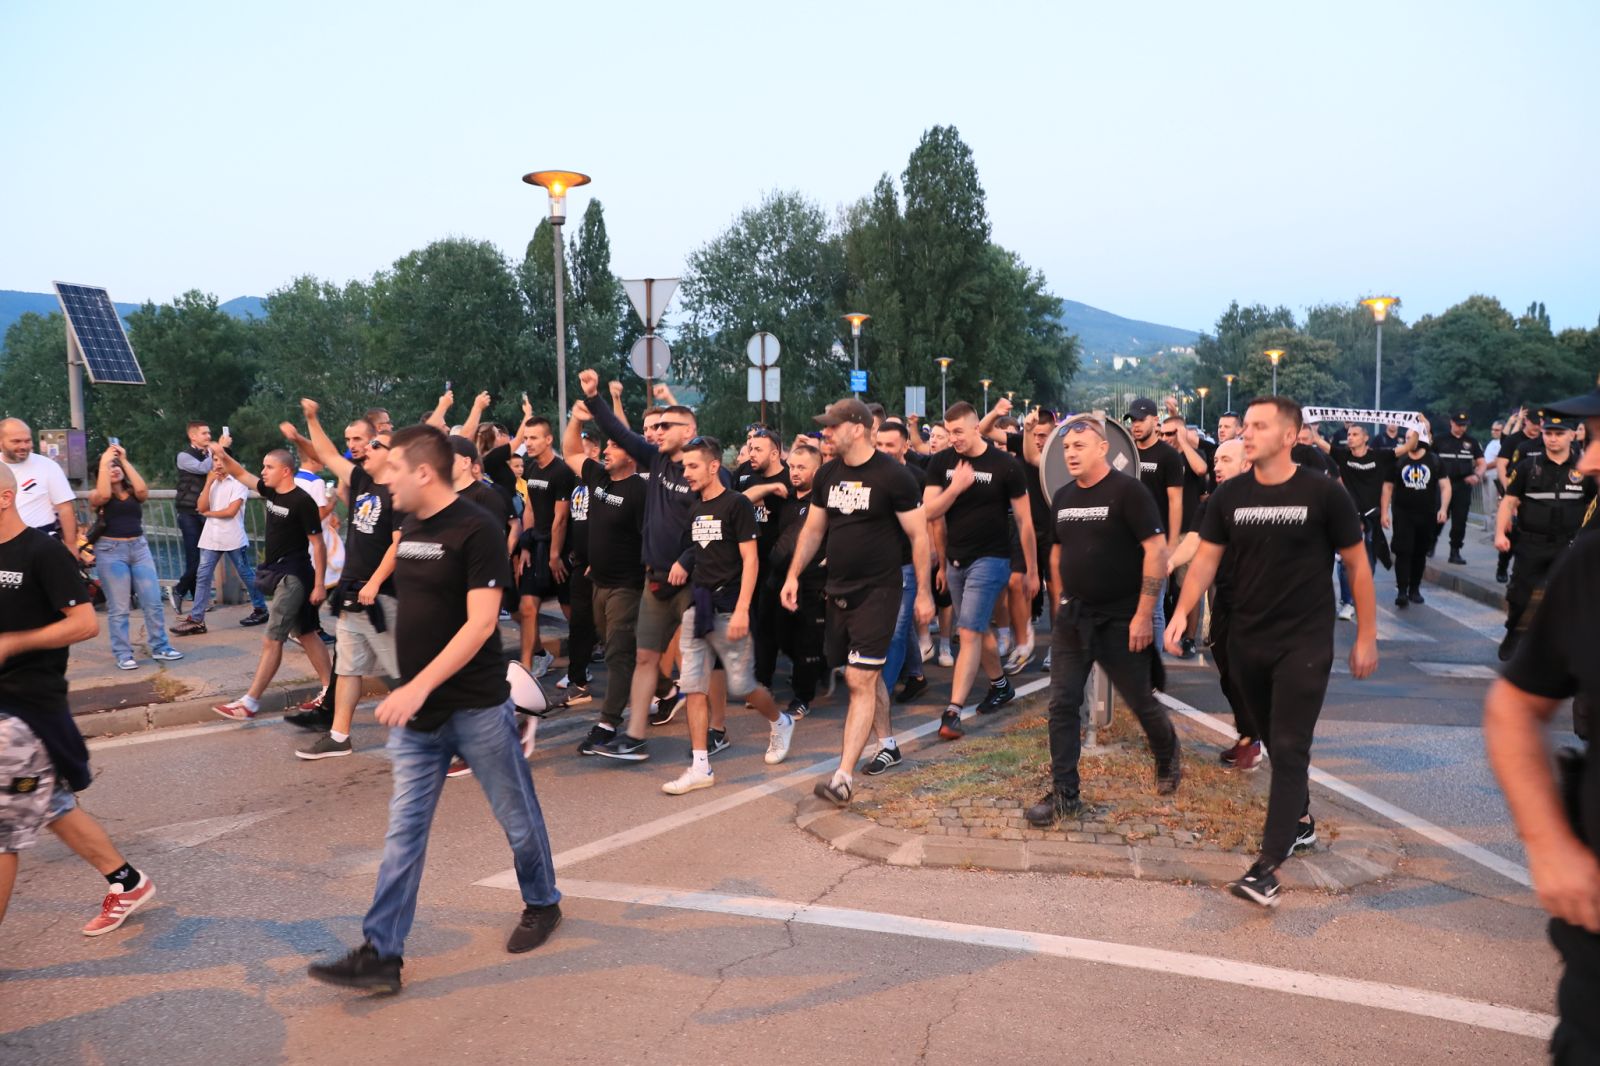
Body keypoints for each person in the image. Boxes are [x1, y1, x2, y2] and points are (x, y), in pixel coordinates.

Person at [307, 425, 561, 993]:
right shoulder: (411, 524)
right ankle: (382, 954)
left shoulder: (478, 528)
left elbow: (480, 625)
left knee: (516, 816)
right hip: (419, 718)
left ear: (424, 472)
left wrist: (417, 686)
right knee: (404, 833)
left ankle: (543, 901)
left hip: (475, 709)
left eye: (394, 467)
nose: (384, 477)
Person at [1165, 396, 1379, 908]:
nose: (1248, 433)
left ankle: (1266, 868)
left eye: (1259, 426)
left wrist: (1367, 636)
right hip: (1247, 642)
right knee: (1272, 740)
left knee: (1289, 744)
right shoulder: (1229, 496)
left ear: (1288, 435)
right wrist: (1181, 612)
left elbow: (1357, 565)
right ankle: (1299, 817)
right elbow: (1206, 560)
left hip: (1304, 642)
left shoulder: (1323, 494)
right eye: (1247, 425)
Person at [1484, 378, 1600, 1062]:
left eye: (1598, 440)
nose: (1588, 461)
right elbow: (1513, 706)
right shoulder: (1595, 562)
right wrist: (1550, 845)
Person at [0, 462, 158, 936]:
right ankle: (126, 882)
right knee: (50, 804)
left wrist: (13, 643)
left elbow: (85, 624)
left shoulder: (43, 552)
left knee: (3, 831)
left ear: (4, 498)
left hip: (25, 709)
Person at [1027, 417, 1180, 826]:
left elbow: (1156, 551)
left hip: (1121, 617)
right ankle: (1065, 794)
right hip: (1074, 618)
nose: (1070, 454)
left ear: (1102, 448)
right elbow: (1056, 553)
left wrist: (1144, 615)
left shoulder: (1129, 492)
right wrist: (1060, 600)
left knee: (1140, 701)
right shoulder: (1063, 496)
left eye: (1079, 446)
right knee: (1062, 704)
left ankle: (1167, 750)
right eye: (1066, 448)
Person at [787, 400, 930, 804]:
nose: (825, 433)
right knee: (865, 673)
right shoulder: (827, 474)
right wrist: (793, 574)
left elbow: (919, 536)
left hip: (879, 591)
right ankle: (888, 743)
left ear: (857, 428)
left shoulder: (894, 476)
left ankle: (843, 778)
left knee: (858, 678)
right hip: (838, 591)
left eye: (832, 426)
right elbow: (813, 530)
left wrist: (922, 592)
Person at [581, 370, 717, 763]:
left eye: (665, 426)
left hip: (693, 585)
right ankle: (635, 737)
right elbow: (620, 434)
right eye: (654, 426)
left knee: (707, 668)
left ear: (689, 430)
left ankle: (721, 731)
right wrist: (593, 398)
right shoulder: (656, 460)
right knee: (644, 658)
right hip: (655, 582)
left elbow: (711, 525)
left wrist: (686, 559)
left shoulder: (705, 472)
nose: (656, 431)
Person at [661, 436, 795, 795]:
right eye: (684, 467)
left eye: (693, 466)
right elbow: (698, 550)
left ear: (713, 466)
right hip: (700, 607)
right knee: (693, 686)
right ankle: (700, 767)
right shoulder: (695, 508)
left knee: (743, 687)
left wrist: (742, 611)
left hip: (730, 607)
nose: (687, 473)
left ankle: (780, 721)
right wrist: (683, 565)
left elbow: (751, 561)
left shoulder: (736, 504)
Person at [291, 401, 401, 759]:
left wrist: (375, 583)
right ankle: (339, 736)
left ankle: (444, 737)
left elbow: (398, 545)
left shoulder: (400, 493)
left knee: (406, 673)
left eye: (374, 445)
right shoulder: (363, 480)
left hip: (383, 597)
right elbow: (326, 453)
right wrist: (312, 418)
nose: (364, 448)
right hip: (353, 593)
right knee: (349, 668)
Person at [924, 402, 1038, 740]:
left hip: (992, 559)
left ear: (977, 428)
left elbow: (1025, 522)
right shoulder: (941, 462)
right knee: (976, 627)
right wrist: (956, 488)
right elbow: (930, 512)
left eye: (959, 431)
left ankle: (953, 711)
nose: (953, 438)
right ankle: (1000, 685)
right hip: (955, 560)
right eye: (949, 432)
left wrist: (1032, 570)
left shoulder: (1005, 465)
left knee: (969, 632)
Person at [210, 446, 334, 719]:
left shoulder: (302, 502)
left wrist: (319, 584)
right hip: (280, 573)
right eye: (263, 467)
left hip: (294, 577)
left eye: (269, 467)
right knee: (307, 633)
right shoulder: (272, 492)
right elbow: (240, 472)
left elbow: (318, 544)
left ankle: (250, 702)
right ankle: (331, 690)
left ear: (285, 471)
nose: (263, 471)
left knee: (272, 638)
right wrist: (222, 453)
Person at [1169, 438, 1261, 769]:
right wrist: (1168, 562)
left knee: (1251, 672)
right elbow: (1195, 541)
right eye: (1216, 460)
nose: (1217, 466)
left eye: (1225, 460)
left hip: (1263, 604)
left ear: (1246, 463)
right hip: (1227, 599)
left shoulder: (1267, 499)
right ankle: (1248, 735)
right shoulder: (1213, 503)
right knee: (1228, 673)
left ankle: (1256, 739)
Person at [562, 405, 646, 754]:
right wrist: (577, 418)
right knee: (621, 648)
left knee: (617, 654)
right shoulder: (598, 476)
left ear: (632, 456)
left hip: (627, 587)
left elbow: (650, 539)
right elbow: (570, 451)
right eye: (606, 445)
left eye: (615, 446)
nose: (606, 451)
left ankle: (608, 722)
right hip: (597, 582)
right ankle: (666, 689)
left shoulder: (641, 492)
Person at [1495, 413, 1594, 662]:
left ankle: (1560, 649)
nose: (1553, 439)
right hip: (1532, 543)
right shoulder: (1528, 467)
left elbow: (1594, 504)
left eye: (1559, 434)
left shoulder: (1585, 469)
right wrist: (1499, 533)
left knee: (1569, 598)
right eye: (1548, 433)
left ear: (1572, 435)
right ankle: (1513, 633)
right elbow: (1508, 501)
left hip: (1568, 545)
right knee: (1520, 597)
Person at [85, 443, 184, 670]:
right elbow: (103, 494)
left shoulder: (132, 493)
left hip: (139, 548)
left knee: (153, 602)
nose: (114, 470)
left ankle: (161, 646)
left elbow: (143, 491)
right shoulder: (97, 495)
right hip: (111, 552)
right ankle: (123, 653)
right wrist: (104, 461)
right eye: (110, 467)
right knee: (119, 607)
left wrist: (124, 460)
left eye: (116, 466)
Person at [171, 430, 271, 634]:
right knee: (202, 576)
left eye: (221, 460)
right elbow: (200, 506)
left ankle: (261, 608)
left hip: (233, 537)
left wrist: (209, 513)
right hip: (211, 537)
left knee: (246, 573)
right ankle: (197, 620)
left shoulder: (239, 483)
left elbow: (231, 511)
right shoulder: (212, 482)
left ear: (229, 462)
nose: (217, 464)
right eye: (214, 460)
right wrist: (208, 483)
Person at [768, 442, 829, 719]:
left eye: (801, 467)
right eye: (791, 466)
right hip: (782, 581)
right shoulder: (784, 498)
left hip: (814, 582)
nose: (794, 472)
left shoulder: (824, 502)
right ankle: (820, 666)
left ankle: (803, 697)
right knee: (781, 637)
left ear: (817, 471)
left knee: (808, 641)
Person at [515, 417, 574, 679]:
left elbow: (561, 519)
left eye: (534, 438)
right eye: (526, 438)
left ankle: (580, 664)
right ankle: (526, 668)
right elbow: (529, 508)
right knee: (527, 608)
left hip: (559, 550)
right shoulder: (531, 468)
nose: (528, 443)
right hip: (536, 547)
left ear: (548, 440)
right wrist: (526, 546)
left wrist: (554, 555)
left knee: (570, 610)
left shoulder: (561, 472)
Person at [736, 427, 789, 692]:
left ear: (775, 453)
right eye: (750, 448)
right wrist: (766, 490)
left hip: (780, 565)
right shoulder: (746, 475)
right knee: (757, 624)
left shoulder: (789, 477)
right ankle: (761, 680)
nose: (752, 454)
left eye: (758, 449)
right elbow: (736, 502)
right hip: (750, 562)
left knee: (779, 626)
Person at [1125, 398, 1183, 642]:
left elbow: (1175, 501)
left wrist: (1172, 545)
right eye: (1133, 420)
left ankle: (1156, 663)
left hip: (1156, 543)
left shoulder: (1168, 456)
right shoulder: (1125, 452)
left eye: (1141, 419)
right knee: (1129, 605)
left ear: (1155, 420)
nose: (1136, 425)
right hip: (1127, 542)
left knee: (1156, 610)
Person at [1321, 424, 1390, 621]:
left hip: (1371, 517)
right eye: (1349, 434)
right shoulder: (1342, 455)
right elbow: (1319, 443)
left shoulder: (1378, 457)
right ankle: (1347, 601)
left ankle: (1360, 596)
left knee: (1369, 562)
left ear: (1365, 438)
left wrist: (1419, 427)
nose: (1350, 437)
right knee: (1345, 561)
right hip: (1349, 516)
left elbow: (1405, 450)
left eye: (1355, 434)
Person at [1381, 429, 1449, 608]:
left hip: (1427, 514)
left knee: (1420, 553)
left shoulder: (1434, 460)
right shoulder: (1398, 460)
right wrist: (1384, 512)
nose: (1410, 440)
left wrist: (1443, 508)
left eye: (1413, 437)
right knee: (1403, 551)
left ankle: (1414, 589)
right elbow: (1387, 487)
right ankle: (1402, 591)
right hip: (1403, 514)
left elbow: (1445, 486)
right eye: (1407, 437)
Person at [0, 418, 78, 553]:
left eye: (27, 441)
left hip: (41, 543)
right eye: (16, 441)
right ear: (1, 442)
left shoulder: (48, 466)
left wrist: (71, 545)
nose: (23, 446)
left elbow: (65, 508)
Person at [1496, 409, 1546, 583]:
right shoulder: (1515, 441)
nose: (1537, 427)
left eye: (1540, 423)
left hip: (1537, 497)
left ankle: (1524, 573)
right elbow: (1502, 466)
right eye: (1534, 423)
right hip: (1515, 492)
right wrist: (1509, 492)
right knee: (1511, 534)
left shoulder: (1546, 443)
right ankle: (1502, 566)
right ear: (1526, 421)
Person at [171, 420, 215, 612]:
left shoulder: (207, 455)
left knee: (204, 558)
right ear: (193, 436)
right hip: (188, 512)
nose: (209, 436)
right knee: (195, 558)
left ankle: (198, 600)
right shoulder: (184, 456)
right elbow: (203, 468)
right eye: (204, 433)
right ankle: (179, 590)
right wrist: (215, 451)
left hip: (204, 511)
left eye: (209, 433)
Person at [1435, 412, 1485, 565]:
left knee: (1460, 520)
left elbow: (1482, 463)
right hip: (1442, 484)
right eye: (1459, 425)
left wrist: (1477, 475)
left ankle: (1455, 551)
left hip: (1463, 485)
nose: (1461, 428)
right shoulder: (1439, 440)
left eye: (1464, 425)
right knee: (1438, 517)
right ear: (1451, 423)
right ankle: (1430, 543)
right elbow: (1429, 460)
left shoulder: (1471, 442)